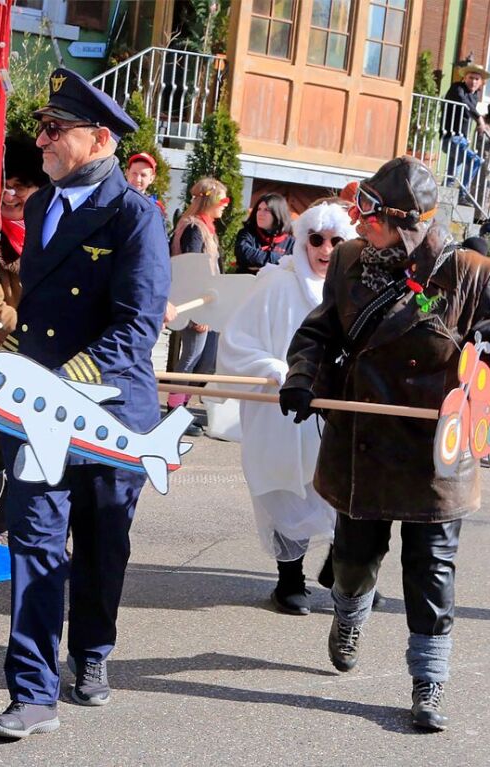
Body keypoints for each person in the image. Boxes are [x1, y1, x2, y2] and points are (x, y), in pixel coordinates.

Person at [0, 68, 170, 739]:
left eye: (53, 129)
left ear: (95, 141)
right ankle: (32, 693)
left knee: (98, 543)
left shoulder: (134, 216)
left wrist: (62, 379)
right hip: (41, 411)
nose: (40, 139)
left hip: (109, 411)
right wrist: (6, 325)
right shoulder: (37, 207)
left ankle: (91, 652)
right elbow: (38, 306)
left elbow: (135, 327)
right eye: (42, 127)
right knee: (33, 542)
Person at [279, 156, 490, 732]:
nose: (357, 218)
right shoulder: (349, 259)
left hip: (436, 450)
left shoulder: (471, 273)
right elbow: (320, 331)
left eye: (369, 210)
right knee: (352, 560)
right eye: (359, 205)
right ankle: (349, 614)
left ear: (406, 222)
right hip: (362, 439)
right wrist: (302, 379)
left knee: (432, 567)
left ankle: (428, 681)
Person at [218, 202, 354, 614]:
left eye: (335, 241)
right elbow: (237, 342)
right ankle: (289, 579)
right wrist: (277, 370)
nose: (325, 249)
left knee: (342, 489)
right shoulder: (276, 284)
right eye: (316, 240)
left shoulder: (354, 291)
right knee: (284, 491)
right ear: (303, 241)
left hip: (335, 412)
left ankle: (345, 567)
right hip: (283, 411)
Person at [167, 177, 230, 435]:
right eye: (222, 200)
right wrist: (196, 312)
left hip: (208, 302)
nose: (225, 206)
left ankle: (183, 406)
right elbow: (192, 270)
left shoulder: (205, 227)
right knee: (190, 357)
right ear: (210, 200)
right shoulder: (194, 228)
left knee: (203, 361)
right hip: (196, 303)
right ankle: (175, 411)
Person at [0, 136, 47, 347]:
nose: (9, 196)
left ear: (39, 189)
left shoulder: (55, 233)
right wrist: (40, 333)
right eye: (4, 185)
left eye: (19, 187)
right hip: (1, 352)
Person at [441, 64, 490, 192]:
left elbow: (471, 107)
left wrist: (483, 124)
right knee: (476, 161)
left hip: (461, 139)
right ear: (465, 78)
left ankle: (445, 197)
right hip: (451, 137)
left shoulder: (475, 96)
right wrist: (479, 119)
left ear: (481, 82)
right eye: (471, 78)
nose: (473, 81)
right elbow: (464, 103)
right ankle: (463, 194)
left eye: (476, 79)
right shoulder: (457, 88)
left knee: (451, 178)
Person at [233, 193, 295, 274]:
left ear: (278, 214)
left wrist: (258, 262)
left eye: (266, 210)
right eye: (259, 209)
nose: (260, 213)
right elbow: (243, 254)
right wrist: (279, 260)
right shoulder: (247, 233)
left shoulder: (291, 242)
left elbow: (294, 265)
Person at [125, 151, 166, 217]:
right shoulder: (114, 200)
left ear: (151, 178)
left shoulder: (155, 208)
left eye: (143, 175)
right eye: (134, 173)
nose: (138, 179)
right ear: (127, 173)